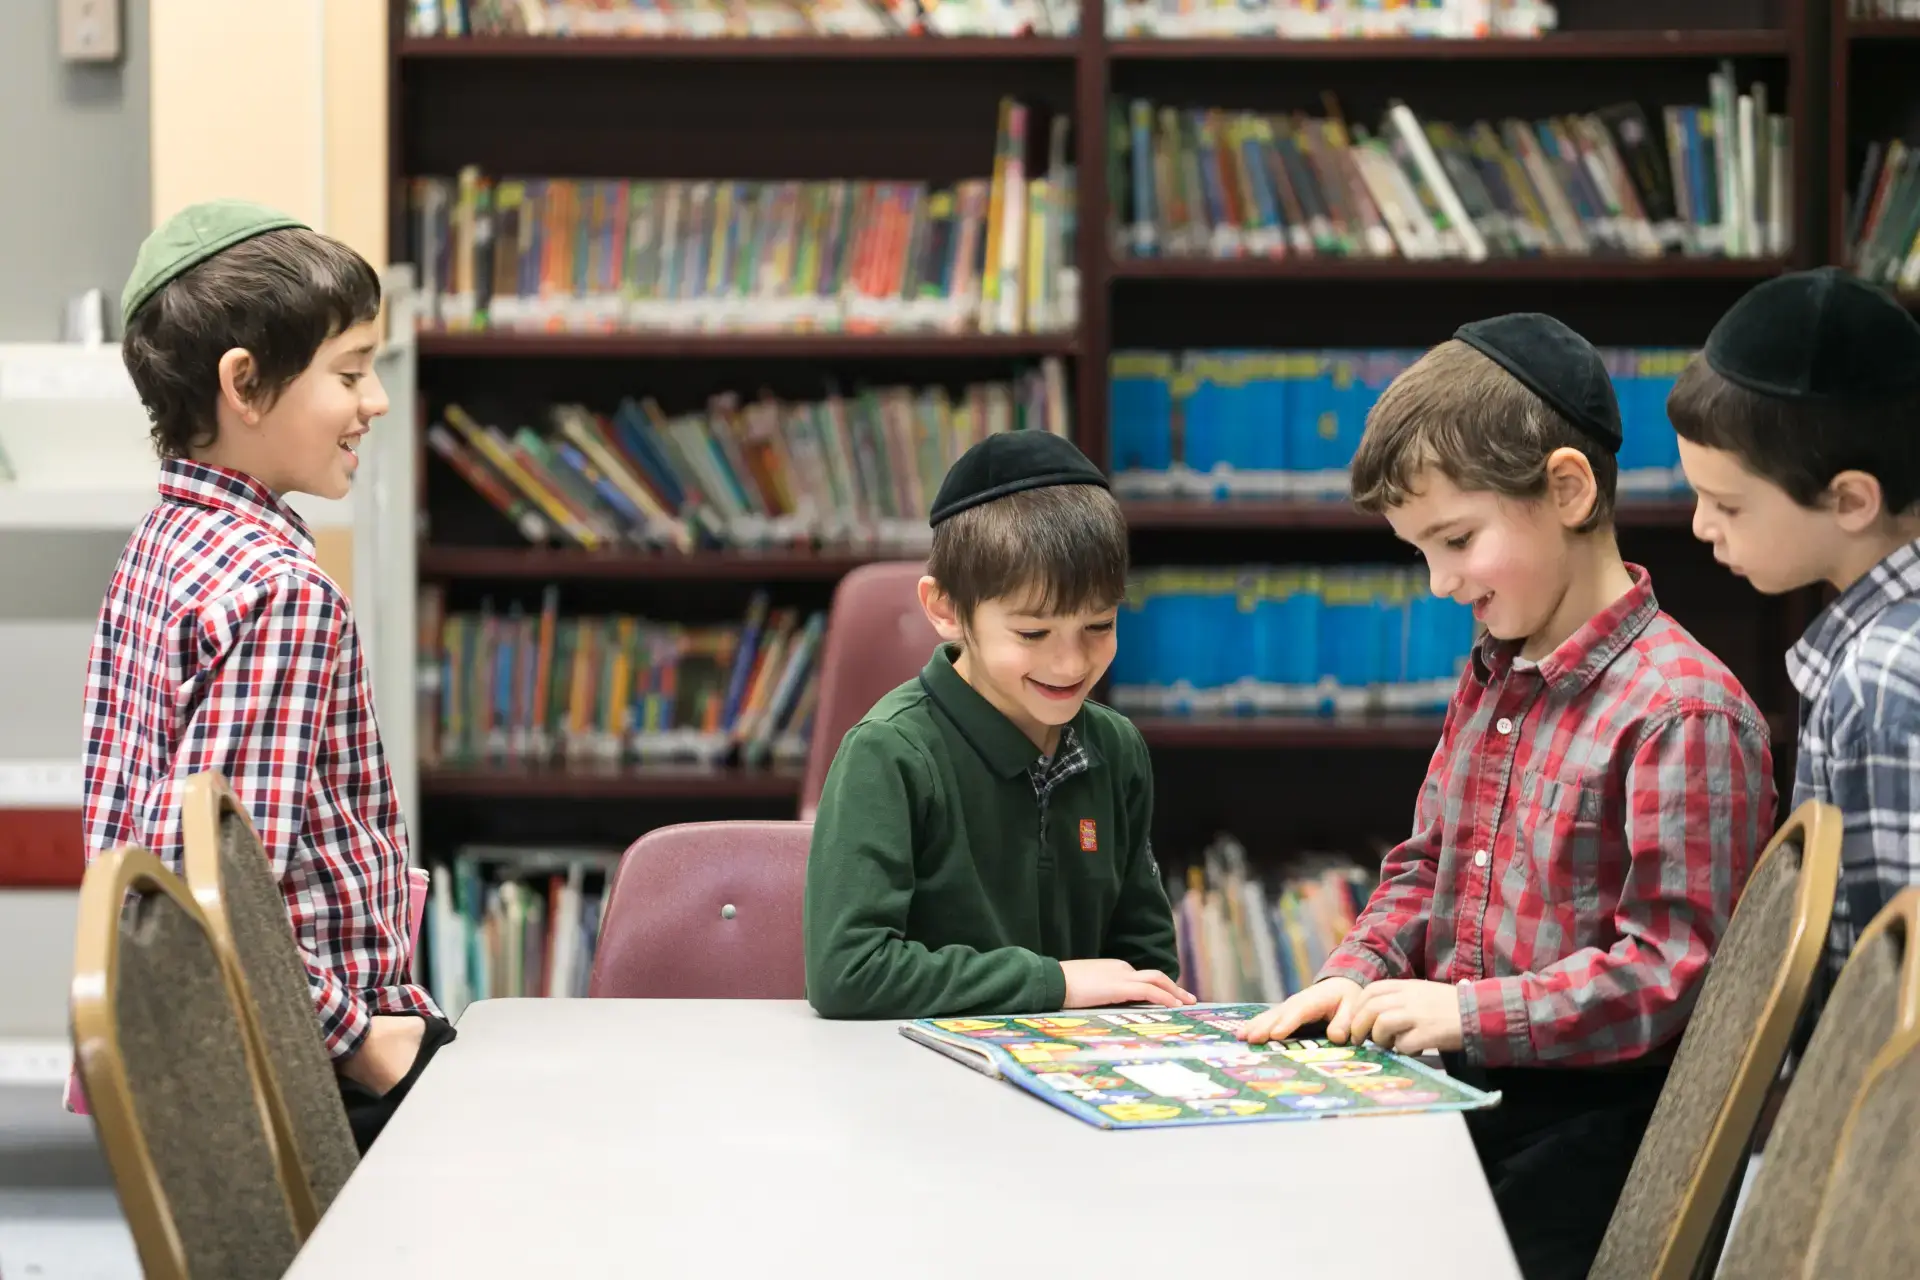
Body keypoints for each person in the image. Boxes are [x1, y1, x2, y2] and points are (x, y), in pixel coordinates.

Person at [1236, 313, 1776, 1280]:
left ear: (1566, 490)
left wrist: (1469, 1013)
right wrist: (1353, 970)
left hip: (1595, 1145)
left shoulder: (1683, 712)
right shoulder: (1495, 671)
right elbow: (1428, 865)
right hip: (1472, 1099)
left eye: (1456, 539)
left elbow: (1675, 973)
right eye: (1420, 553)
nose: (1440, 583)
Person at [82, 199, 451, 1151]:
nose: (373, 402)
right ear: (244, 384)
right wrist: (365, 1044)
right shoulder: (278, 592)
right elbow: (215, 889)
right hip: (308, 1062)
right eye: (352, 372)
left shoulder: (163, 546)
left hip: (207, 1051)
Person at [803, 430, 1193, 1020]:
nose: (1071, 664)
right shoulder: (889, 753)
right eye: (1032, 634)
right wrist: (1052, 984)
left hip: (1078, 1081)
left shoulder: (1116, 748)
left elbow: (1145, 961)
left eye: (1099, 626)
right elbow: (848, 972)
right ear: (945, 610)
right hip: (918, 1084)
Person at [1671, 266, 1920, 991]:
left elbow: (1894, 995)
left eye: (1729, 505)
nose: (1700, 526)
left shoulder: (1884, 679)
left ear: (1849, 500)